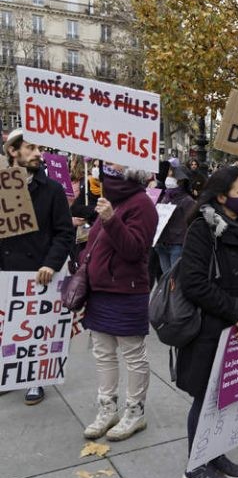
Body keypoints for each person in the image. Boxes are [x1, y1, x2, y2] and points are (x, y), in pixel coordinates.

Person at [176, 166, 238, 478]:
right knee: (206, 398)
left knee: (226, 398)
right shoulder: (204, 228)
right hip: (210, 331)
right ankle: (195, 464)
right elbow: (193, 283)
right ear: (221, 196)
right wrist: (236, 313)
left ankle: (214, 453)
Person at [80, 162, 158, 442]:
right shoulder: (107, 199)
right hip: (100, 290)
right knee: (102, 352)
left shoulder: (142, 204)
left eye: (119, 160)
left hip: (127, 291)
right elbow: (95, 245)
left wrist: (112, 220)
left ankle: (135, 412)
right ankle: (107, 409)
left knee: (133, 354)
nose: (112, 163)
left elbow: (135, 250)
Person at [0, 129, 75, 405]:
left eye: (39, 148)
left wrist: (51, 264)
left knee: (37, 331)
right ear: (13, 151)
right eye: (30, 148)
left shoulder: (51, 189)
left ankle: (35, 381)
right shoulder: (3, 185)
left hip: (40, 272)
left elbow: (64, 233)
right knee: (8, 328)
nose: (37, 154)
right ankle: (10, 376)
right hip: (7, 271)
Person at [155, 162, 195, 273]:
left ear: (181, 180)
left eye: (172, 175)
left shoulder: (188, 201)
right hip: (161, 244)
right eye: (168, 174)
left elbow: (191, 225)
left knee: (174, 280)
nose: (168, 178)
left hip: (177, 246)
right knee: (166, 279)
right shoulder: (164, 197)